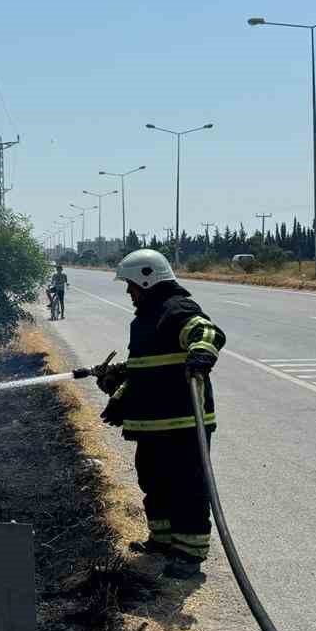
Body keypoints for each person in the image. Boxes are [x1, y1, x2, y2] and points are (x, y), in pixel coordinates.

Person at [94, 248, 225, 579]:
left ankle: (189, 554)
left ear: (147, 280)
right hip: (153, 426)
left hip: (183, 424)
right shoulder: (145, 321)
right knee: (153, 481)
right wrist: (118, 391)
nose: (128, 292)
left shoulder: (175, 309)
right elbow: (144, 372)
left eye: (131, 285)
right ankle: (163, 540)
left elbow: (207, 332)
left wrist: (200, 354)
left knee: (187, 487)